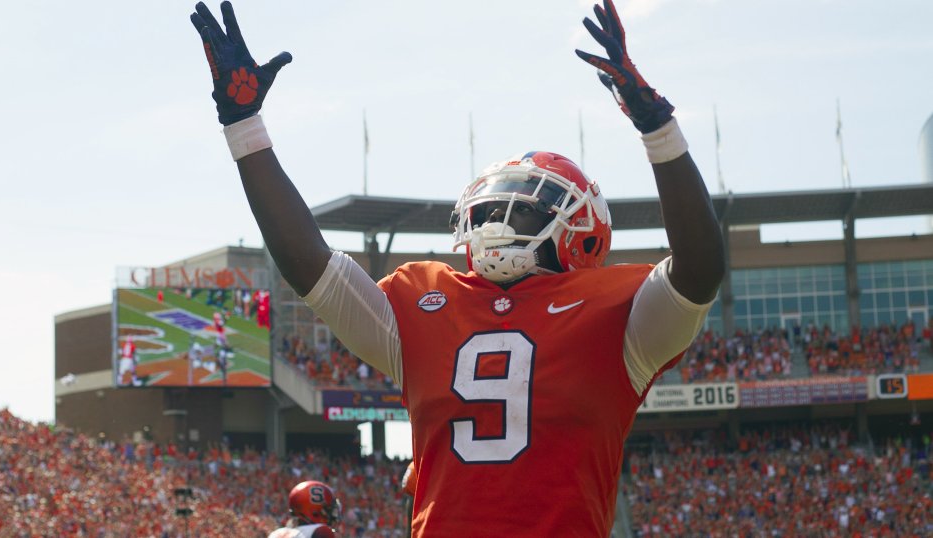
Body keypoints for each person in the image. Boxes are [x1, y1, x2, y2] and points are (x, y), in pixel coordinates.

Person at [189, 0, 724, 535]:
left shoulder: (617, 312)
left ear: (582, 234)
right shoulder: (423, 298)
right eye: (490, 207)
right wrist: (244, 126)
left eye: (524, 206)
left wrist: (658, 130)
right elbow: (309, 266)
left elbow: (698, 273)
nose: (496, 218)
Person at [267, 480, 341, 538]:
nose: (329, 515)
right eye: (326, 510)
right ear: (315, 512)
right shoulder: (321, 531)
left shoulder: (276, 534)